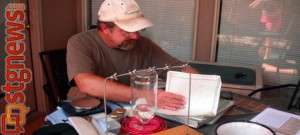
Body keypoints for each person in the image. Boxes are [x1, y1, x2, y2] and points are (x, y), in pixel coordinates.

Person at [66, 0, 198, 111]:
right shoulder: (80, 42)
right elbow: (86, 83)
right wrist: (148, 96)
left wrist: (207, 85)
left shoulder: (143, 44)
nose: (135, 36)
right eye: (127, 31)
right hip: (87, 109)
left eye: (138, 30)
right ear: (105, 28)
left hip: (127, 108)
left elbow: (179, 68)